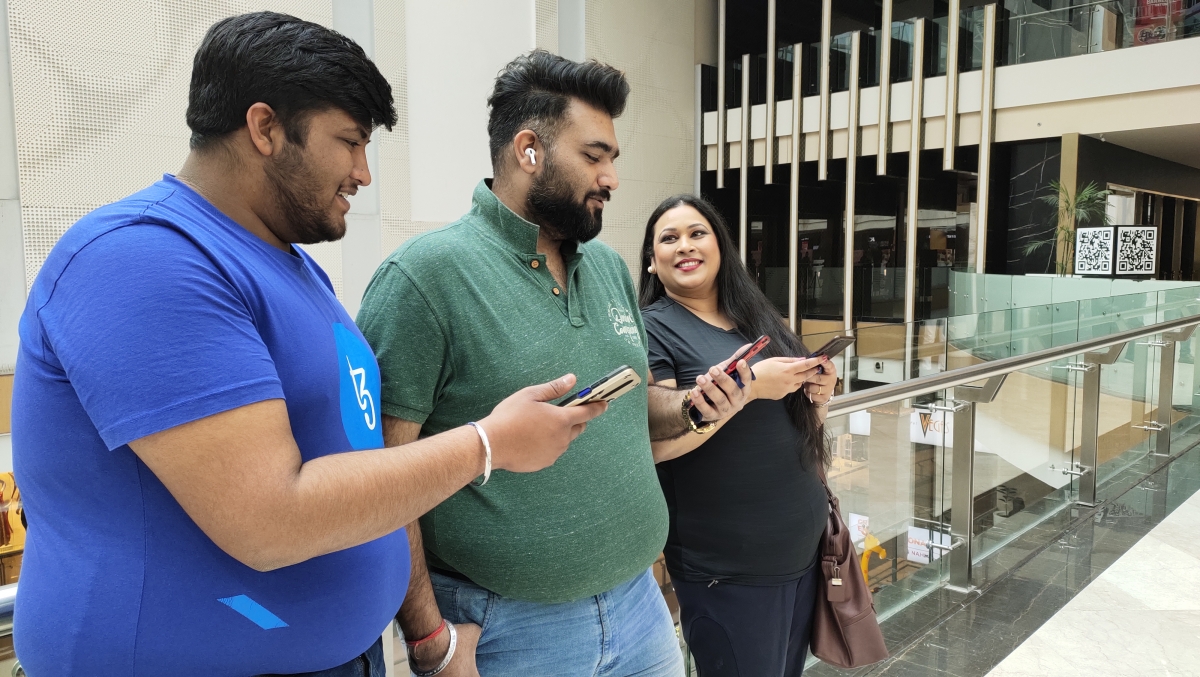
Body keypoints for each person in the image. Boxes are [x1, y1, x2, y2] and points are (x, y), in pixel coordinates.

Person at [10, 14, 604, 677]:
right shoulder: (140, 260)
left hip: (336, 655)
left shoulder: (285, 264)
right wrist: (487, 445)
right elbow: (268, 518)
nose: (363, 173)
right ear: (264, 127)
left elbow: (348, 455)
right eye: (349, 142)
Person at [356, 51, 752, 676]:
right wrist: (430, 640)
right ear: (528, 150)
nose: (612, 178)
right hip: (507, 630)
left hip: (642, 607)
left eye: (613, 159)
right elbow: (382, 472)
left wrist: (695, 407)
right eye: (594, 156)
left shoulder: (612, 270)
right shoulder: (424, 278)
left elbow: (632, 409)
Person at [638, 194, 838, 677]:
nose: (685, 245)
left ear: (720, 246)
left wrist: (820, 395)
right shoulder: (653, 330)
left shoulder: (758, 320)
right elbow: (653, 445)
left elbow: (800, 428)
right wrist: (747, 390)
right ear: (651, 261)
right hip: (728, 566)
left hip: (803, 552)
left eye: (697, 233)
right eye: (669, 238)